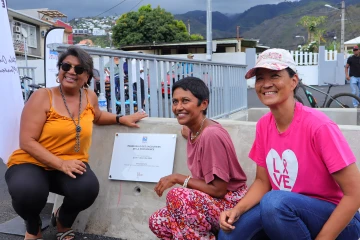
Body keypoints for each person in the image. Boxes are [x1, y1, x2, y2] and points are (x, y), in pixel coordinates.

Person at [5, 46, 147, 240]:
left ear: (87, 76)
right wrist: (61, 164)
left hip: (69, 163)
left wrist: (120, 119)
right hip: (32, 162)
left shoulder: (89, 96)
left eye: (79, 69)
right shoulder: (42, 97)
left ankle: (62, 221)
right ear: (60, 70)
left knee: (87, 189)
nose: (72, 72)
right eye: (66, 66)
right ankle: (32, 226)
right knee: (28, 191)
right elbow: (27, 141)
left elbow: (97, 116)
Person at [218, 48, 360, 240]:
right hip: (285, 212)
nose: (266, 84)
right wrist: (238, 209)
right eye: (260, 78)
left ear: (293, 81)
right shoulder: (263, 125)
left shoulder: (319, 126)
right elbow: (262, 181)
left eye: (275, 75)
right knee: (228, 233)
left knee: (274, 202)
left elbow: (355, 193)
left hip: (339, 221)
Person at [149, 77, 248, 239]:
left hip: (230, 202)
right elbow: (187, 131)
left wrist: (177, 178)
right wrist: (188, 130)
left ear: (203, 104)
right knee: (158, 221)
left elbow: (219, 189)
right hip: (212, 200)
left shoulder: (211, 134)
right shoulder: (195, 129)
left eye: (185, 101)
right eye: (175, 102)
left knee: (177, 196)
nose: (178, 107)